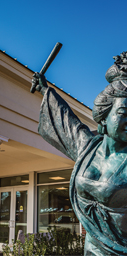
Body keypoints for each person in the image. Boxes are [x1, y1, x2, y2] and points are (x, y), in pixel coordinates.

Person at [32, 52, 127, 255]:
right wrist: (44, 89)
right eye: (122, 113)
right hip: (92, 249)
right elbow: (65, 121)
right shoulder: (88, 148)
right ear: (104, 115)